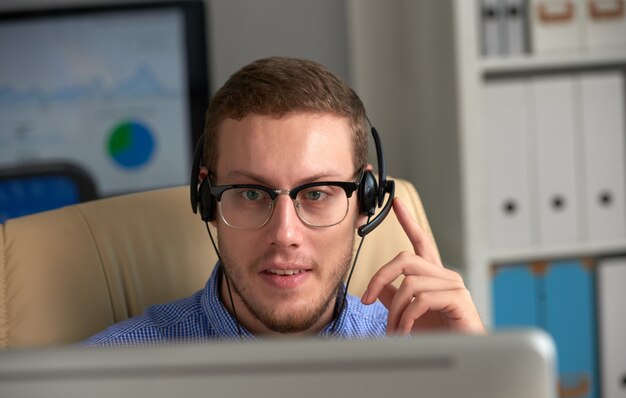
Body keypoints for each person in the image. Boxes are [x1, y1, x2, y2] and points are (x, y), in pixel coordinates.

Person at [85, 57, 485, 346]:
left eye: (315, 194)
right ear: (208, 201)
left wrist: (471, 381)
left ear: (365, 200)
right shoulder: (106, 375)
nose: (285, 235)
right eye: (252, 194)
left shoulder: (424, 348)